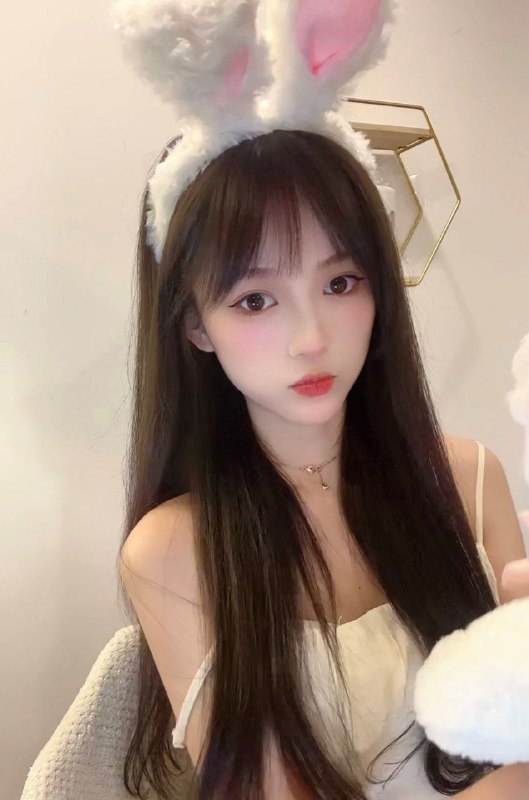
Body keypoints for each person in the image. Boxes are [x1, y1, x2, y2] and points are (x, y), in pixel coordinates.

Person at [116, 129, 527, 800]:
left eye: (339, 282)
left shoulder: (469, 479)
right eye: (255, 299)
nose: (311, 339)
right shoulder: (171, 551)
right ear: (195, 325)